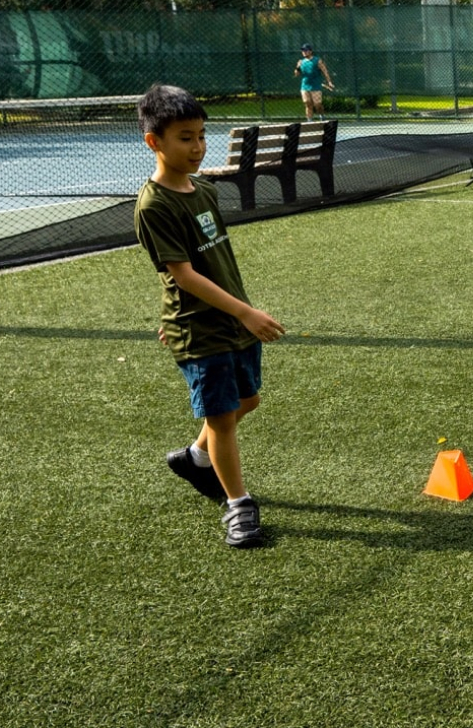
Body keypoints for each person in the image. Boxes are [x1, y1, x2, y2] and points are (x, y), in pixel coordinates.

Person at [134, 84, 286, 548]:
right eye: (185, 137)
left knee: (248, 401)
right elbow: (181, 274)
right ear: (154, 141)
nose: (198, 146)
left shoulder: (204, 190)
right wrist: (245, 313)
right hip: (203, 328)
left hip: (227, 319)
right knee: (222, 418)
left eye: (201, 135)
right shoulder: (154, 206)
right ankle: (238, 506)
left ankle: (194, 458)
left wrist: (238, 312)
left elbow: (206, 264)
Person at [295, 43, 335, 122]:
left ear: (310, 51)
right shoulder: (301, 62)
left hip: (316, 86)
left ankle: (321, 115)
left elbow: (325, 71)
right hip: (305, 86)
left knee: (317, 104)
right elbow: (296, 74)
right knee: (307, 103)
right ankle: (309, 121)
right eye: (302, 50)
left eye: (306, 50)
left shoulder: (317, 60)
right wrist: (298, 67)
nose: (304, 52)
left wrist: (329, 82)